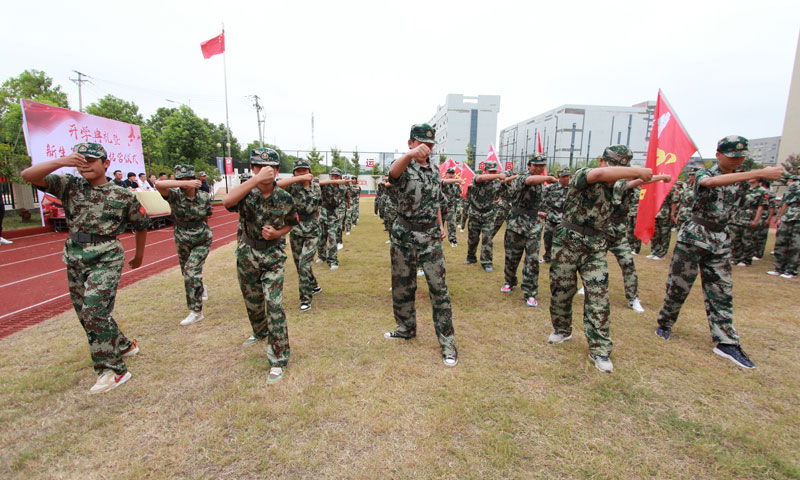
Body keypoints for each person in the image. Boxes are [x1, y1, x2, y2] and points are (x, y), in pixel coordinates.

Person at [21, 142, 149, 394]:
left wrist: (139, 256)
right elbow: (28, 175)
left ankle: (112, 370)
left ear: (106, 164)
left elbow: (140, 224)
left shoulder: (123, 194)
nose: (86, 165)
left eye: (92, 160)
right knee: (86, 313)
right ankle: (122, 344)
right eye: (81, 160)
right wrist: (62, 161)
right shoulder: (68, 185)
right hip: (76, 256)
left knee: (93, 311)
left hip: (106, 255)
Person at [654, 136, 784, 369]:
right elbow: (710, 184)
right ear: (719, 155)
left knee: (721, 290)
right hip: (694, 237)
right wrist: (756, 173)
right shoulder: (706, 174)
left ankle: (726, 341)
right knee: (678, 286)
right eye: (733, 157)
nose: (737, 161)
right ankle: (665, 322)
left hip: (720, 240)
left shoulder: (741, 181)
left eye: (741, 157)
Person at [548, 145, 653, 373]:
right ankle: (562, 330)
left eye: (622, 166)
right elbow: (599, 175)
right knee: (561, 292)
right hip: (567, 241)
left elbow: (633, 183)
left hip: (595, 245)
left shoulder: (617, 185)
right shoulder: (584, 175)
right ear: (603, 161)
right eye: (615, 164)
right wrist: (636, 170)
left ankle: (600, 349)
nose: (619, 170)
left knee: (598, 297)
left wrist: (653, 177)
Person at [384, 123, 458, 367]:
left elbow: (435, 201)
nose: (426, 147)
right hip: (404, 236)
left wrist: (440, 225)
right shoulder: (404, 166)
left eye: (430, 144)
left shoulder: (435, 171)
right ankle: (406, 327)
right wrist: (408, 156)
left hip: (430, 239)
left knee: (439, 290)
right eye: (421, 143)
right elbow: (392, 175)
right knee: (403, 286)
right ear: (411, 143)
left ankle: (447, 342)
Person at [223, 148, 297, 383]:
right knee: (252, 301)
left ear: (276, 171)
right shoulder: (246, 193)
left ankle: (278, 358)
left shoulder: (285, 198)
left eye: (270, 167)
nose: (264, 171)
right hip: (247, 254)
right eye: (257, 167)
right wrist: (254, 180)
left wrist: (277, 233)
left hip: (273, 256)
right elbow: (226, 202)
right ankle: (259, 331)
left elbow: (291, 223)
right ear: (253, 169)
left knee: (274, 305)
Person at [604, 148, 672, 314]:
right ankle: (587, 286)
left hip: (619, 231)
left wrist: (660, 177)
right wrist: (658, 177)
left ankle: (633, 298)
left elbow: (639, 180)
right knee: (594, 264)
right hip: (602, 228)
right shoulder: (609, 179)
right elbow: (635, 182)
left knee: (628, 265)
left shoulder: (624, 177)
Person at [155, 164, 213, 326]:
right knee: (186, 273)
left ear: (194, 179)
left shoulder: (204, 196)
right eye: (180, 179)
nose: (184, 182)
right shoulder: (174, 195)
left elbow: (207, 216)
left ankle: (196, 311)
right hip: (182, 237)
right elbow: (158, 185)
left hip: (202, 237)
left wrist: (204, 231)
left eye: (188, 179)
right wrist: (182, 184)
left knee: (190, 271)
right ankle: (200, 287)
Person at [500, 154, 556, 307]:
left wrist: (540, 212)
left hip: (534, 226)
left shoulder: (541, 185)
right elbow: (529, 181)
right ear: (529, 165)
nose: (538, 168)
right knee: (512, 257)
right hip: (516, 225)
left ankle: (530, 292)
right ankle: (509, 281)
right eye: (535, 165)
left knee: (532, 260)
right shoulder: (522, 177)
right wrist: (547, 178)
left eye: (541, 166)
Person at [278, 159, 323, 311]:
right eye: (299, 170)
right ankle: (314, 285)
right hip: (296, 229)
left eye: (305, 170)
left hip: (312, 230)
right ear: (294, 173)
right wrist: (298, 179)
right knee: (299, 264)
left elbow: (317, 206)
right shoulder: (291, 186)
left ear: (309, 171)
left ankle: (305, 299)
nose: (302, 172)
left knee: (304, 263)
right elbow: (275, 186)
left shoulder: (316, 187)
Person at [466, 161, 504, 272]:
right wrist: (498, 175)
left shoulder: (497, 182)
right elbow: (480, 179)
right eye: (490, 172)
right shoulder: (478, 179)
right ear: (485, 171)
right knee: (473, 239)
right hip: (475, 213)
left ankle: (487, 262)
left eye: (494, 171)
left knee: (487, 239)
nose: (492, 174)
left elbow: (504, 183)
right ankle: (471, 257)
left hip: (488, 214)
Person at [729, 177, 768, 267]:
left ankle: (746, 260)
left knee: (747, 240)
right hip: (738, 217)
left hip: (750, 217)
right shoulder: (744, 188)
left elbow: (761, 206)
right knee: (736, 239)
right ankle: (736, 258)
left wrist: (756, 220)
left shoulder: (762, 191)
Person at [768, 175, 800, 278]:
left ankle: (790, 270)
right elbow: (786, 202)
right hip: (789, 216)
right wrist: (780, 217)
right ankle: (778, 268)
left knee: (796, 245)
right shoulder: (794, 185)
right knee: (781, 242)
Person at [318, 168, 348, 269]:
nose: (334, 177)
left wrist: (337, 185)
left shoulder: (342, 188)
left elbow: (336, 201)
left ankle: (333, 261)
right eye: (332, 175)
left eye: (336, 176)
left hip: (333, 214)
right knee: (321, 236)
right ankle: (322, 256)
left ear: (340, 177)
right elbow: (317, 183)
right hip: (322, 212)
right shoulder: (325, 184)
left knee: (332, 237)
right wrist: (332, 181)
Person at [541, 169, 570, 263]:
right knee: (548, 238)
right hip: (552, 217)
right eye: (563, 177)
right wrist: (544, 212)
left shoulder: (573, 189)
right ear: (558, 177)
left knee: (565, 240)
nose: (566, 179)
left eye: (567, 176)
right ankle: (547, 257)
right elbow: (543, 200)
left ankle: (562, 259)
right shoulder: (551, 188)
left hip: (566, 219)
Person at [647, 183, 677, 259]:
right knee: (655, 233)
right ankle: (654, 251)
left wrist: (672, 213)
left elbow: (674, 201)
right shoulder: (656, 186)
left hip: (665, 213)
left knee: (664, 234)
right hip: (655, 212)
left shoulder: (671, 186)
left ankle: (661, 253)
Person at [441, 167, 464, 247]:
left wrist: (459, 186)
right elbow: (444, 182)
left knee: (451, 223)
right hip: (441, 207)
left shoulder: (455, 184)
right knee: (439, 224)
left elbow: (458, 194)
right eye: (449, 173)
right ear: (446, 174)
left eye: (452, 173)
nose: (451, 175)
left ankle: (452, 239)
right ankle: (437, 239)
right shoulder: (442, 181)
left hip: (450, 206)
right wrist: (457, 180)